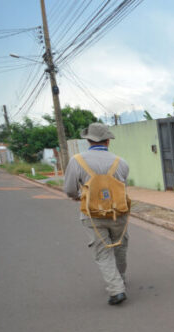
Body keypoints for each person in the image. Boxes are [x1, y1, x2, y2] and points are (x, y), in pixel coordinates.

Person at [64, 122, 130, 305]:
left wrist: (79, 196)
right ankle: (121, 279)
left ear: (88, 140)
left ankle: (116, 290)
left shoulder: (77, 161)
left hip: (93, 215)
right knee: (120, 246)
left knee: (102, 252)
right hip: (118, 213)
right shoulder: (121, 162)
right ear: (108, 141)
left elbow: (69, 189)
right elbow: (123, 188)